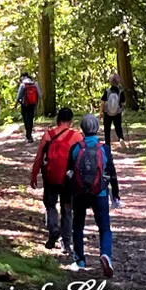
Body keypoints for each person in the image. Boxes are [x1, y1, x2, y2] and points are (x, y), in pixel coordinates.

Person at [68, 113, 120, 277]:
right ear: (97, 129)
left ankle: (80, 260)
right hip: (100, 192)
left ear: (82, 129)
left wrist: (68, 196)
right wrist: (116, 195)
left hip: (79, 193)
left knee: (78, 226)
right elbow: (112, 173)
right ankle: (105, 254)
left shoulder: (76, 148)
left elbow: (69, 173)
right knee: (104, 228)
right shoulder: (104, 149)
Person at [30, 107, 82, 252]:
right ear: (71, 121)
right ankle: (66, 243)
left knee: (50, 205)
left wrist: (34, 175)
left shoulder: (48, 135)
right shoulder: (77, 137)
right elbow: (81, 160)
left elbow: (39, 157)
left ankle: (53, 228)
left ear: (57, 119)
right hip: (68, 179)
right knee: (67, 209)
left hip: (50, 177)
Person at [100, 73, 126, 147]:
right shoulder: (121, 92)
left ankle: (107, 144)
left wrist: (101, 112)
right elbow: (123, 104)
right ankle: (121, 138)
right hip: (117, 112)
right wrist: (121, 108)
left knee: (107, 129)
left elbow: (102, 102)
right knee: (118, 127)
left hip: (107, 112)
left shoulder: (107, 91)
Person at [15, 72, 41, 142]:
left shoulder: (23, 85)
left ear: (23, 77)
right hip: (33, 104)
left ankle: (28, 136)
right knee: (31, 119)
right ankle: (29, 135)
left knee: (26, 120)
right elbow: (40, 95)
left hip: (25, 105)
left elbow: (19, 96)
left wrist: (16, 104)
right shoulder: (35, 83)